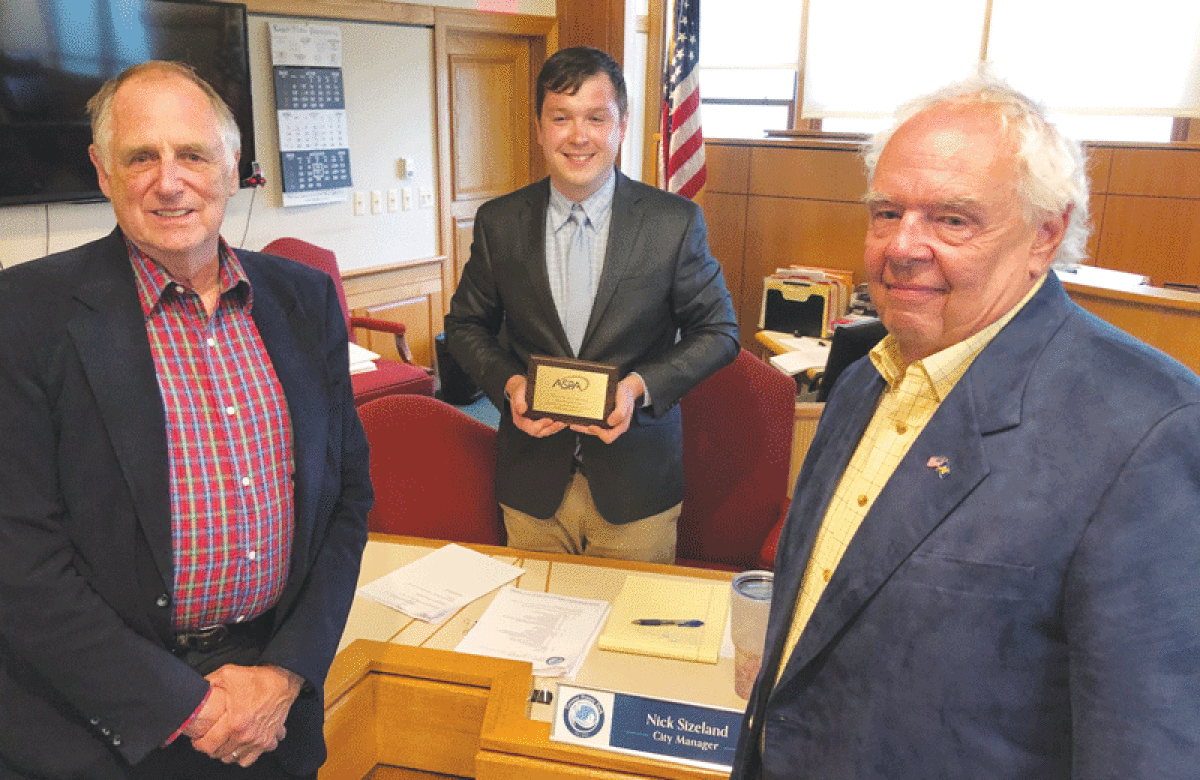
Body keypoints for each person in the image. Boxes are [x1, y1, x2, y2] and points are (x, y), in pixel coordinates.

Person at [731, 73, 1200, 780]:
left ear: (1047, 233)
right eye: (887, 212)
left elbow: (1145, 753)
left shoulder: (1150, 431)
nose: (902, 246)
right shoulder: (865, 379)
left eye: (953, 219)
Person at [0, 61, 372, 779]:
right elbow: (19, 561)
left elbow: (346, 501)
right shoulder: (25, 317)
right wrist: (190, 706)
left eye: (193, 154)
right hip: (105, 725)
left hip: (277, 709)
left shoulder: (304, 299)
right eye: (141, 156)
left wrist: (288, 672)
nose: (169, 182)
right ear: (103, 172)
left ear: (234, 167)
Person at [444, 46, 739, 564]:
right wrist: (511, 384)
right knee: (531, 628)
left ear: (621, 126)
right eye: (561, 118)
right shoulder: (500, 222)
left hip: (637, 487)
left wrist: (638, 388)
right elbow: (466, 326)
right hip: (532, 487)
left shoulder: (674, 223)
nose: (578, 136)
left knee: (629, 639)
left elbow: (719, 331)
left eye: (596, 119)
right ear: (539, 128)